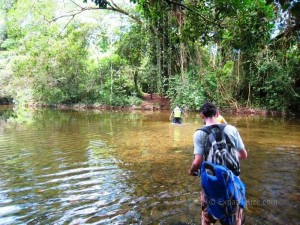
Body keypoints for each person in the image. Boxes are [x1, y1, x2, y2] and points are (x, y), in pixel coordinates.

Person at [189, 102, 248, 225]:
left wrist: (191, 171)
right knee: (234, 215)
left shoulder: (199, 134)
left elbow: (198, 162)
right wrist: (229, 155)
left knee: (207, 217)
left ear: (202, 116)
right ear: (218, 114)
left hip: (211, 182)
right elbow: (243, 155)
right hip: (232, 180)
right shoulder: (232, 129)